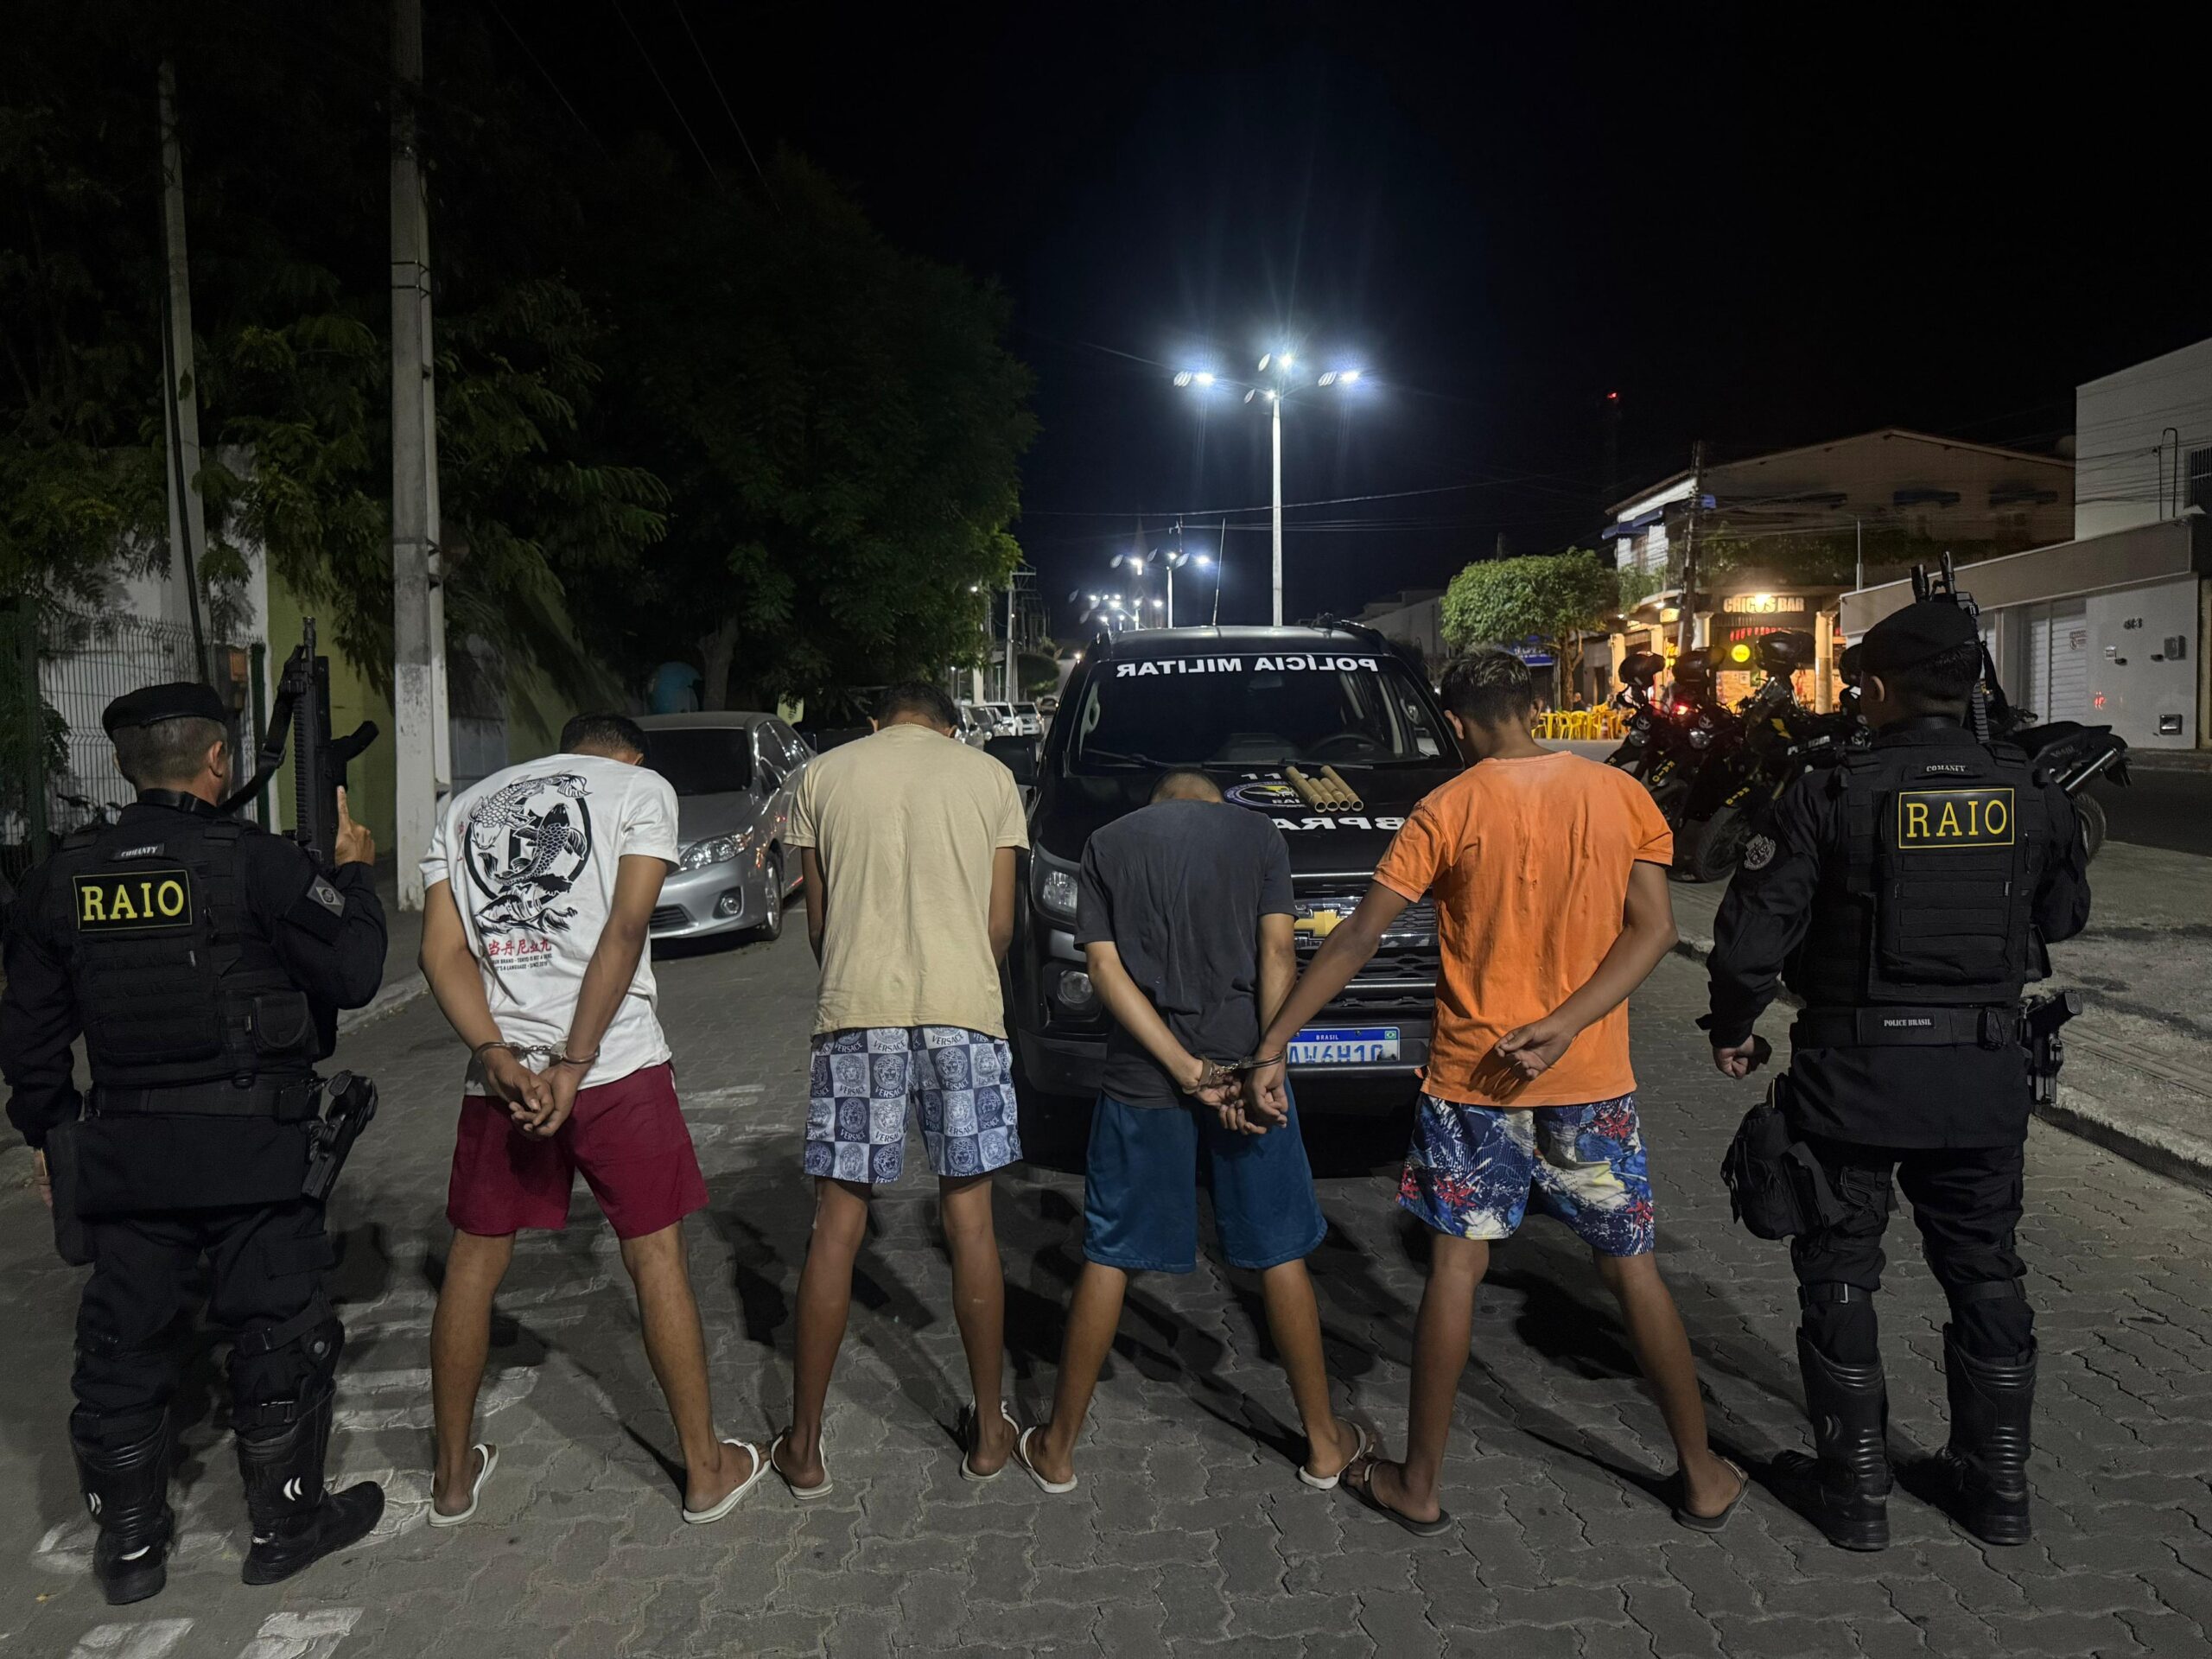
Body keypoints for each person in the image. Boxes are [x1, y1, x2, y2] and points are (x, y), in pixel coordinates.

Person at [1247, 651, 1745, 1535]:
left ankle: (1419, 1485)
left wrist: (1275, 1040)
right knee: (1629, 1266)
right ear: (1538, 707)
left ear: (1459, 722)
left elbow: (1361, 934)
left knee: (1455, 1267)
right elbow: (1656, 930)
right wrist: (1564, 1023)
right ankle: (1702, 1474)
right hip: (1589, 1079)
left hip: (1475, 1080)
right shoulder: (1617, 794)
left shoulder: (1447, 807)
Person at [1703, 601, 2089, 1551]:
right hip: (1982, 1078)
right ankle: (1996, 1491)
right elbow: (2066, 917)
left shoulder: (1830, 787)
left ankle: (1856, 1492)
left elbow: (1757, 929)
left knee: (1839, 1269)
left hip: (1852, 1080)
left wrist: (1735, 1025)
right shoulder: (2030, 788)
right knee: (1985, 1271)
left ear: (1874, 688)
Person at [0, 683, 388, 1604]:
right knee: (278, 1330)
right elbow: (358, 970)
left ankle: (130, 1553)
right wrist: (355, 872)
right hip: (251, 1153)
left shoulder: (63, 879)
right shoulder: (253, 864)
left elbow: (31, 1042)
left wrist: (56, 1145)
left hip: (126, 1155)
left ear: (130, 767)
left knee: (123, 1344)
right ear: (218, 760)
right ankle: (286, 1524)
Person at [420, 712, 764, 1526]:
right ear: (631, 751)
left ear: (565, 745)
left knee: (473, 1263)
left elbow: (440, 953)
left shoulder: (467, 807)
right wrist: (574, 1061)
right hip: (614, 1067)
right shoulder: (642, 788)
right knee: (654, 1258)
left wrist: (501, 1058)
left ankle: (451, 1480)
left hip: (501, 1078)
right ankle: (705, 1470)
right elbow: (625, 925)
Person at [1014, 771, 1366, 1495]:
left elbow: (1106, 972)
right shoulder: (1258, 833)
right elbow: (1278, 956)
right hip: (1249, 1072)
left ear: (1158, 805)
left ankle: (1057, 1449)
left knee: (1109, 1254)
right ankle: (1325, 1444)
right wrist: (1268, 1063)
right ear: (1211, 800)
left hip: (1144, 1082)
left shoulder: (1107, 844)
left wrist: (1183, 1068)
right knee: (1277, 1253)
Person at [772, 681, 1027, 1495]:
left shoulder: (824, 776)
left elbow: (817, 919)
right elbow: (1000, 924)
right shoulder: (988, 777)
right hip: (966, 1014)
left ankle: (806, 1447)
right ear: (951, 726)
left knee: (837, 1225)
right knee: (972, 1223)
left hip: (857, 1012)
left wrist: (855, 979)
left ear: (875, 720)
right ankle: (989, 1434)